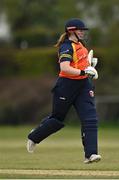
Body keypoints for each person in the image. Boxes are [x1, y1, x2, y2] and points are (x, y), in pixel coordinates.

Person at [27, 18, 101, 164]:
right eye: (80, 30)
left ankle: (91, 154)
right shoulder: (66, 46)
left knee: (90, 119)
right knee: (57, 119)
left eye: (83, 30)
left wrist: (89, 65)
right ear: (71, 30)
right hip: (66, 86)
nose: (82, 32)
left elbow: (80, 64)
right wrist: (83, 71)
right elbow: (65, 68)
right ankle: (34, 137)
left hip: (83, 86)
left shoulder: (81, 44)